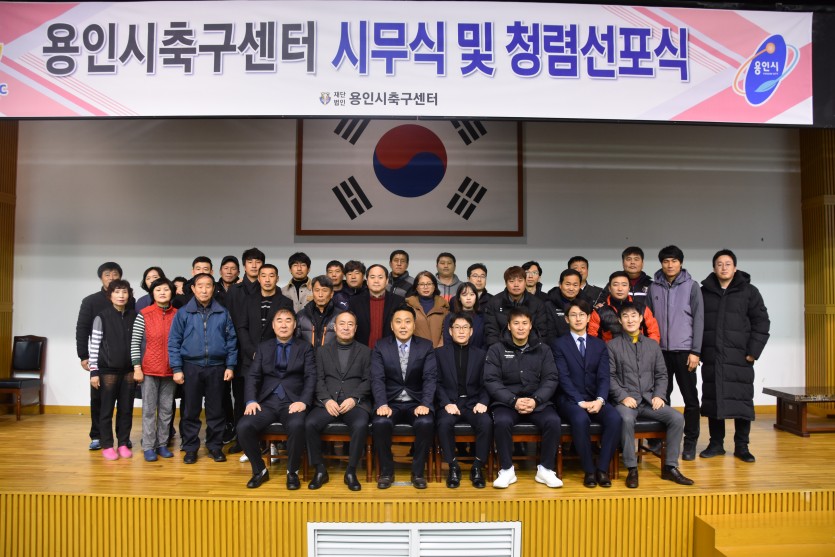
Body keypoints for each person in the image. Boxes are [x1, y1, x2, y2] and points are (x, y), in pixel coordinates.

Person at [608, 302, 694, 488]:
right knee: (626, 419)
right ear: (620, 320)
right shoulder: (612, 346)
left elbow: (662, 374)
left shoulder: (652, 345)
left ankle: (670, 467)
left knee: (676, 418)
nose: (630, 320)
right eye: (625, 316)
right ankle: (632, 468)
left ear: (641, 318)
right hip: (625, 402)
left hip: (648, 400)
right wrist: (623, 396)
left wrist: (659, 395)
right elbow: (609, 377)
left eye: (634, 316)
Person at [699, 249, 770, 463]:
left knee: (741, 401)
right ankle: (716, 444)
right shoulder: (704, 292)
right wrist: (698, 351)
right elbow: (696, 323)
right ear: (714, 268)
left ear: (735, 267)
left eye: (727, 264)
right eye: (719, 264)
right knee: (713, 400)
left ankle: (742, 446)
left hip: (739, 357)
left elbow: (761, 322)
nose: (723, 268)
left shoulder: (749, 291)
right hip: (712, 356)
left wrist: (753, 352)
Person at [237, 308, 316, 489]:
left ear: (294, 325)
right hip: (267, 402)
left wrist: (303, 401)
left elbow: (311, 377)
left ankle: (292, 472)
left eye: (288, 320)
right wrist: (251, 400)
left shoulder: (305, 347)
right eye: (279, 321)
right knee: (243, 426)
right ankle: (259, 470)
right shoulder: (263, 347)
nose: (283, 325)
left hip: (293, 401)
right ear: (273, 326)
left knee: (297, 425)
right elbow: (253, 376)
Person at [484, 306, 562, 489]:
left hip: (538, 402)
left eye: (524, 323)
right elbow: (491, 380)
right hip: (507, 402)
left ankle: (545, 470)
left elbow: (551, 378)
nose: (520, 327)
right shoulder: (496, 349)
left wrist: (536, 400)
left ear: (530, 325)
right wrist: (513, 401)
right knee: (501, 422)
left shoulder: (543, 349)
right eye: (516, 323)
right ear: (509, 326)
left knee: (553, 421)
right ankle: (506, 470)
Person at [168, 273, 237, 464]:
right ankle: (190, 448)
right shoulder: (183, 313)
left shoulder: (222, 312)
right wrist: (176, 368)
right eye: (200, 286)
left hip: (217, 367)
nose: (204, 290)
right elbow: (174, 342)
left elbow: (231, 341)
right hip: (191, 367)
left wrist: (230, 365)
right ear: (193, 288)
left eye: (208, 286)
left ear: (213, 288)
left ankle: (215, 447)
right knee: (190, 410)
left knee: (216, 411)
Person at [552, 299, 621, 488]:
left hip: (595, 397)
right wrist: (579, 401)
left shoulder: (599, 345)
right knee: (580, 419)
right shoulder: (559, 344)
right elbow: (563, 377)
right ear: (567, 319)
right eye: (573, 315)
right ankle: (589, 470)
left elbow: (604, 376)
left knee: (615, 418)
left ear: (589, 317)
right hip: (569, 399)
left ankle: (602, 469)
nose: (578, 319)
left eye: (582, 315)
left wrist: (600, 399)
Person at [371, 304, 437, 489]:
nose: (403, 326)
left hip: (416, 402)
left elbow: (430, 378)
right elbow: (377, 378)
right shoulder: (381, 346)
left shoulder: (425, 346)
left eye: (407, 322)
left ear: (414, 325)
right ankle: (386, 472)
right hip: (390, 402)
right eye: (398, 322)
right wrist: (382, 404)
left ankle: (418, 473)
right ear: (391, 326)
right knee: (380, 423)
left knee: (426, 423)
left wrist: (425, 403)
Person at [647, 245, 704, 461]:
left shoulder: (692, 286)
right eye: (666, 261)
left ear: (680, 263)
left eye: (674, 261)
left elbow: (699, 320)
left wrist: (695, 351)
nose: (670, 265)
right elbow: (648, 320)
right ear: (661, 264)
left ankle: (690, 442)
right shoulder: (653, 288)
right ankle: (663, 441)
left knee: (690, 398)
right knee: (661, 397)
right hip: (660, 352)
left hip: (685, 352)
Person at [304, 311, 371, 491]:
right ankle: (320, 469)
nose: (346, 327)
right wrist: (326, 400)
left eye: (350, 324)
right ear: (335, 327)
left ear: (355, 328)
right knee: (310, 423)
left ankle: (351, 471)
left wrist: (354, 398)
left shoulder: (366, 351)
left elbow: (368, 380)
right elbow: (318, 379)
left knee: (360, 424)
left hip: (354, 403)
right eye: (342, 323)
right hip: (328, 403)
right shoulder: (322, 351)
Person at [75, 261, 133, 450]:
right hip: (101, 359)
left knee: (125, 404)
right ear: (101, 278)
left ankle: (123, 439)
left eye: (115, 274)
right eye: (107, 274)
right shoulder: (91, 301)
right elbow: (82, 329)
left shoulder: (129, 300)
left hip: (124, 363)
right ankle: (97, 436)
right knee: (99, 400)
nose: (111, 277)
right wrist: (84, 356)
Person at [435, 312, 492, 488]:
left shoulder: (481, 355)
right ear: (450, 331)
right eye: (457, 327)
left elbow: (488, 383)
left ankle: (477, 467)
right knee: (444, 423)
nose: (461, 331)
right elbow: (436, 383)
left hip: (473, 403)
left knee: (486, 422)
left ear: (471, 331)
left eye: (465, 327)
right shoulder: (439, 354)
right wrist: (446, 403)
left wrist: (483, 402)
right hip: (450, 403)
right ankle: (453, 466)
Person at [88, 279, 137, 460]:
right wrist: (94, 372)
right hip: (107, 371)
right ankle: (107, 445)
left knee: (126, 409)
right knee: (106, 410)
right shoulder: (101, 317)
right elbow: (94, 346)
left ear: (129, 295)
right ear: (110, 296)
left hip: (129, 371)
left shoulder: (135, 316)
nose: (121, 295)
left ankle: (123, 443)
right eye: (117, 292)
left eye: (124, 292)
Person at [131, 278, 178, 461]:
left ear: (172, 292)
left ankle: (162, 444)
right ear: (153, 293)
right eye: (158, 290)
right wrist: (137, 367)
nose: (162, 293)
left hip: (170, 370)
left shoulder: (178, 314)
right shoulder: (144, 314)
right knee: (149, 410)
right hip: (149, 370)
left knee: (166, 410)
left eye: (166, 289)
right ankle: (149, 446)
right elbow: (135, 342)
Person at [483, 266, 552, 346]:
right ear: (506, 283)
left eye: (520, 281)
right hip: (502, 350)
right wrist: (501, 351)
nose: (516, 285)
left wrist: (531, 350)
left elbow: (541, 333)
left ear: (525, 282)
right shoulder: (494, 303)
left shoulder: (537, 304)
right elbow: (492, 334)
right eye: (511, 281)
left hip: (530, 349)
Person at [588, 271, 660, 343]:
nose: (620, 289)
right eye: (615, 285)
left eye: (624, 285)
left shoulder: (642, 309)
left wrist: (649, 349)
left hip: (639, 349)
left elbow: (653, 333)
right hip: (609, 350)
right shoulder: (600, 311)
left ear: (629, 288)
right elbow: (592, 337)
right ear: (609, 288)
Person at [349, 264, 404, 349]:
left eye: (380, 277)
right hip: (362, 352)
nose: (376, 281)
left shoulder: (399, 302)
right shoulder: (355, 302)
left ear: (386, 281)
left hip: (390, 351)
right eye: (372, 277)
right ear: (367, 281)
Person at [405, 271, 450, 348]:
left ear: (434, 286)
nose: (425, 287)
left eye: (429, 284)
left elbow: (446, 331)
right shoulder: (408, 306)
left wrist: (440, 347)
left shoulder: (443, 306)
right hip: (415, 350)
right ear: (416, 287)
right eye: (422, 284)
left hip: (438, 350)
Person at [296, 275, 343, 348]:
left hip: (330, 355)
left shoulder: (340, 316)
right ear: (312, 292)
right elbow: (296, 343)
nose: (320, 295)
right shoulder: (301, 315)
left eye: (324, 290)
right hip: (307, 355)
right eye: (317, 290)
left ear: (331, 294)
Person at [442, 282, 486, 349]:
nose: (468, 298)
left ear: (476, 297)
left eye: (472, 294)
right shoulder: (450, 317)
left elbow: (485, 342)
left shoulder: (483, 317)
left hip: (479, 354)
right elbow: (447, 342)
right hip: (454, 354)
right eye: (464, 295)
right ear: (459, 298)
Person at [545, 268, 584, 339]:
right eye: (567, 284)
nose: (571, 288)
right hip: (557, 344)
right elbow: (550, 335)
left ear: (580, 286)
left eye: (575, 285)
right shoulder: (549, 305)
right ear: (560, 284)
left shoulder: (586, 304)